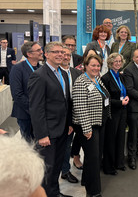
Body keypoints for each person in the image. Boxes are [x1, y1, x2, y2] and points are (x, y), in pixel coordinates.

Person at [28, 42, 72, 197]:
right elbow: (36, 108)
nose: (60, 55)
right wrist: (42, 135)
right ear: (46, 54)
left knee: (57, 164)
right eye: (56, 52)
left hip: (62, 129)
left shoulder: (64, 74)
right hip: (48, 132)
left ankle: (55, 192)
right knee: (47, 167)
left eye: (62, 52)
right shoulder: (39, 75)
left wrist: (69, 124)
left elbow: (66, 102)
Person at [72, 54, 111, 197]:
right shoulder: (81, 82)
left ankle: (86, 181)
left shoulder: (97, 79)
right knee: (94, 159)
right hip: (88, 126)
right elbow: (80, 107)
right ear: (85, 66)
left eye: (98, 65)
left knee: (93, 156)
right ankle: (93, 191)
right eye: (92, 65)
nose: (96, 68)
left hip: (99, 122)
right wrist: (86, 129)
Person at [9, 41, 43, 142]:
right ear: (29, 54)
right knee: (28, 144)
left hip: (40, 114)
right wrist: (33, 109)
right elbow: (17, 94)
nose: (41, 52)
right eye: (38, 50)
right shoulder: (17, 69)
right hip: (25, 113)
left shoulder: (41, 69)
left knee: (40, 143)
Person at [101, 53, 129, 175]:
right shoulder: (105, 78)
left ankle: (119, 163)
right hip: (112, 113)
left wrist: (126, 98)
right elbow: (105, 99)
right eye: (115, 61)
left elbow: (123, 91)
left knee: (120, 138)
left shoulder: (121, 76)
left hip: (122, 112)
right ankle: (108, 166)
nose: (118, 63)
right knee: (110, 140)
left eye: (119, 61)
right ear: (110, 63)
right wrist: (120, 102)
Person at [59, 46, 81, 184]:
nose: (66, 57)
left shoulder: (76, 73)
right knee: (61, 146)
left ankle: (65, 169)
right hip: (60, 117)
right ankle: (62, 171)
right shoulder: (55, 73)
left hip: (75, 115)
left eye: (68, 55)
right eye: (64, 54)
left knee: (69, 145)